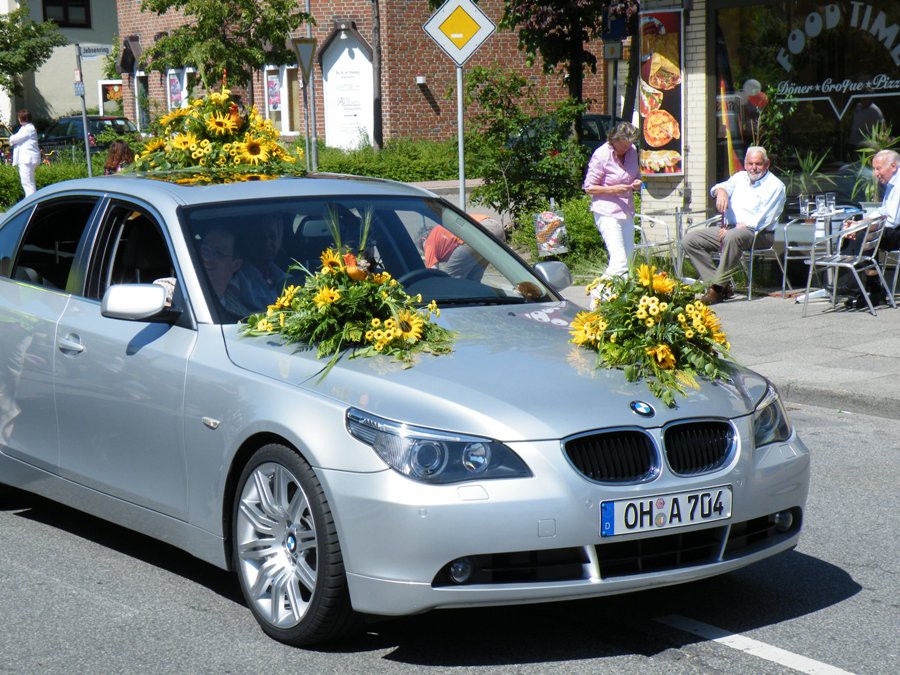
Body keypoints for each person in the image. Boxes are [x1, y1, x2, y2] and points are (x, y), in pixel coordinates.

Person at [682, 146, 785, 304]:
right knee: (690, 240)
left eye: (758, 164)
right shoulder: (740, 177)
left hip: (759, 234)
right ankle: (721, 285)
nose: (753, 168)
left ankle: (716, 289)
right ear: (745, 164)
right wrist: (721, 191)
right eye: (750, 164)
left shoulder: (775, 186)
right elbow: (720, 187)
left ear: (767, 164)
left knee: (732, 236)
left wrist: (737, 227)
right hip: (730, 230)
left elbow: (764, 218)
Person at [837, 149, 900, 307]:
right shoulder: (893, 183)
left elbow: (892, 221)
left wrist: (863, 227)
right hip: (892, 230)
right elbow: (883, 210)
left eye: (878, 168)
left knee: (863, 235)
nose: (875, 173)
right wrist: (860, 223)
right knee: (854, 232)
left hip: (897, 232)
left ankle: (866, 289)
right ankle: (861, 288)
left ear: (893, 166)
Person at [582, 121, 643, 280]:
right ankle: (598, 293)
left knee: (628, 261)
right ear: (613, 139)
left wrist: (638, 183)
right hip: (607, 212)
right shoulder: (601, 155)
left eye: (629, 144)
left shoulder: (632, 151)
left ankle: (619, 299)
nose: (626, 148)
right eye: (623, 145)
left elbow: (635, 176)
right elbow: (589, 187)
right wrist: (613, 189)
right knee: (620, 261)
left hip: (626, 211)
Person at [235, 212, 287, 309]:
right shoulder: (238, 280)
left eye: (272, 236)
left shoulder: (287, 278)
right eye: (259, 237)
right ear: (247, 240)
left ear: (279, 240)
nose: (267, 243)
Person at [199, 225, 252, 317]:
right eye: (204, 250)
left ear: (236, 264)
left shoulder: (240, 317)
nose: (206, 258)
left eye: (219, 253)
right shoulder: (178, 292)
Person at [440, 215, 506, 281]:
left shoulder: (430, 246)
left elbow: (433, 269)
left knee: (448, 278)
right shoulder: (438, 231)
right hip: (495, 228)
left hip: (481, 230)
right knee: (473, 278)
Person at [9, 109, 41, 198]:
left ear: (22, 118)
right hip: (27, 159)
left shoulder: (28, 129)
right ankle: (31, 201)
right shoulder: (25, 128)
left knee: (28, 184)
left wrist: (12, 138)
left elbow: (14, 139)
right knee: (28, 182)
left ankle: (31, 203)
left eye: (19, 117)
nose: (18, 119)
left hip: (27, 160)